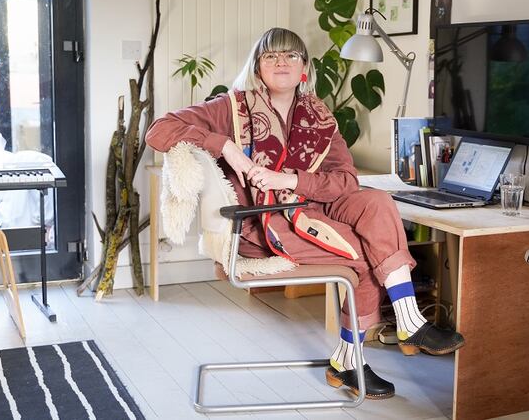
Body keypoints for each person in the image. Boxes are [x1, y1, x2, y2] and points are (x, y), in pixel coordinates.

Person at [145, 27, 464, 399]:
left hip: (310, 207)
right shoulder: (229, 107)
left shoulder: (319, 116)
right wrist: (225, 146)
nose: (281, 62)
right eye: (271, 56)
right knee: (362, 258)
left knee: (377, 201)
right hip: (262, 226)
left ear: (304, 68)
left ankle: (407, 323)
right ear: (257, 66)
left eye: (291, 56)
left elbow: (345, 180)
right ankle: (349, 362)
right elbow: (158, 130)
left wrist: (291, 180)